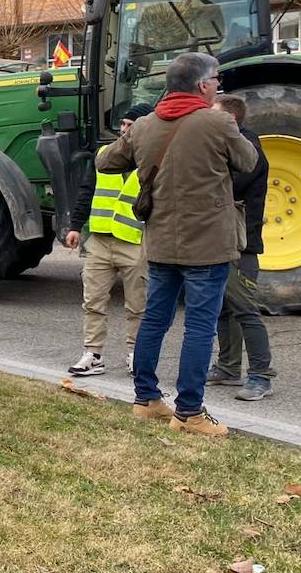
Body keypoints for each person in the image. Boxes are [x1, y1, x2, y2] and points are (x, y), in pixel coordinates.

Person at [96, 52, 258, 436]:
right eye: (216, 79)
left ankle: (146, 399)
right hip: (209, 242)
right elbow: (249, 161)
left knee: (155, 318)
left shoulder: (145, 125)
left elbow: (106, 163)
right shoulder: (217, 121)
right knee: (200, 326)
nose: (219, 85)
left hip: (161, 240)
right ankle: (189, 412)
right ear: (203, 85)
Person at [64, 102, 155, 377]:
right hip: (100, 241)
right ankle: (93, 355)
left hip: (134, 241)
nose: (124, 130)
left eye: (131, 126)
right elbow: (87, 190)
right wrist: (75, 226)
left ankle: (134, 355)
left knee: (137, 305)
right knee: (93, 301)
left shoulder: (154, 158)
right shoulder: (104, 154)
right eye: (123, 125)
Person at [207, 93, 275, 400]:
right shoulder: (230, 143)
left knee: (246, 310)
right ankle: (228, 368)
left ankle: (261, 376)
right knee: (224, 309)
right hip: (221, 240)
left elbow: (228, 185)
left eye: (213, 114)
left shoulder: (248, 148)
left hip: (241, 243)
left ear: (229, 119)